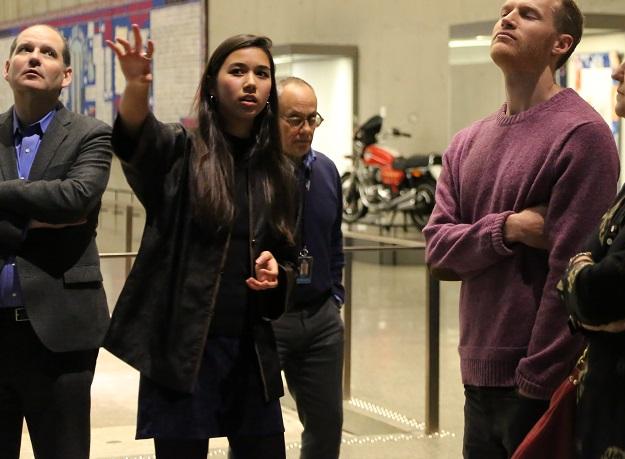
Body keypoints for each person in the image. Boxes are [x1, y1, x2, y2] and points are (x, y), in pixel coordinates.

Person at [423, 0, 620, 457]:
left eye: (527, 13)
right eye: (505, 9)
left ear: (561, 44)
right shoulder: (466, 142)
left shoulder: (582, 136)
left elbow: (570, 275)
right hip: (476, 378)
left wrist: (536, 383)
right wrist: (507, 228)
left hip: (535, 386)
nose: (507, 17)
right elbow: (437, 249)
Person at [103, 25, 297, 459]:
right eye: (238, 71)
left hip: (251, 353)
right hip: (184, 351)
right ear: (212, 84)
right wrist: (136, 86)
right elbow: (136, 140)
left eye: (262, 74)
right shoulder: (181, 151)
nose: (251, 82)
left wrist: (276, 274)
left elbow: (287, 256)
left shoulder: (278, 172)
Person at [0, 24, 112, 459]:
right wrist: (35, 217)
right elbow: (61, 206)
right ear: (7, 68)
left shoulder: (91, 134)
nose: (33, 57)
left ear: (65, 75)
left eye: (47, 52)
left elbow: (76, 198)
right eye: (24, 50)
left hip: (62, 333)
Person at [272, 77, 345, 459]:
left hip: (320, 318)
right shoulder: (255, 174)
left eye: (312, 119)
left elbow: (334, 239)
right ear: (272, 118)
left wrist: (335, 294)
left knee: (326, 426)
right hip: (269, 321)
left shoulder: (328, 172)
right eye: (294, 119)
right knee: (258, 429)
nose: (305, 129)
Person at [559, 58, 625, 458]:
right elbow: (577, 272)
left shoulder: (587, 137)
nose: (617, 74)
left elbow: (601, 288)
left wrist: (580, 273)